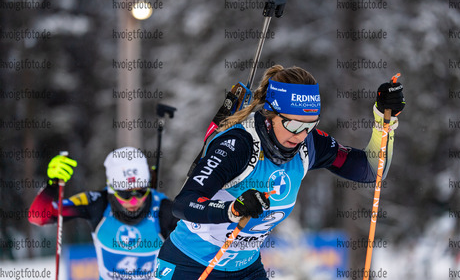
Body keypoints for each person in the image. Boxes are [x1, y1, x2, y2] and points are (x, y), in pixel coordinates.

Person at [154, 65, 405, 280]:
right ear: (270, 114)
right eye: (293, 124)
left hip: (244, 270)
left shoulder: (309, 145)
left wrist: (384, 122)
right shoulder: (238, 145)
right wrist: (232, 210)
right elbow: (184, 204)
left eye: (310, 125)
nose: (301, 135)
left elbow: (370, 170)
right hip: (190, 265)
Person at [28, 146, 178, 280]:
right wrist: (52, 183)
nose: (133, 201)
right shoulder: (97, 203)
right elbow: (38, 216)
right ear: (112, 189)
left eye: (140, 191)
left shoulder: (164, 210)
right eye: (125, 194)